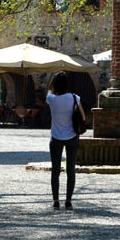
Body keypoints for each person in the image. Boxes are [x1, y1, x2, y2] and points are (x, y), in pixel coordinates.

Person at [46, 72, 85, 210]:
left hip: (56, 136)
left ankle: (56, 201)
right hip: (72, 136)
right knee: (71, 170)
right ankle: (68, 200)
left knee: (55, 171)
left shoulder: (51, 98)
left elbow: (49, 89)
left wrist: (53, 81)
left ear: (55, 84)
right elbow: (83, 117)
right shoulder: (74, 97)